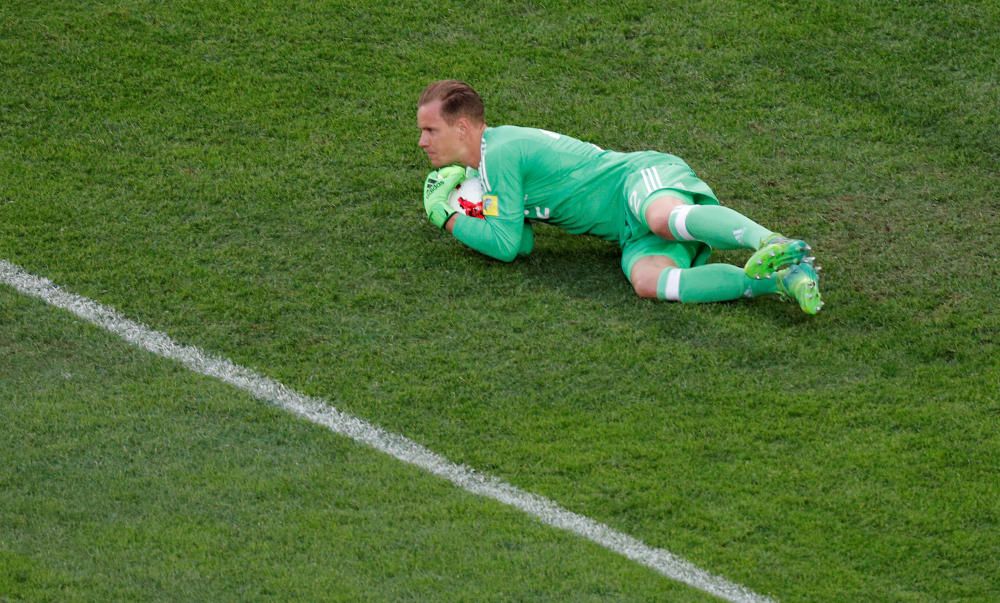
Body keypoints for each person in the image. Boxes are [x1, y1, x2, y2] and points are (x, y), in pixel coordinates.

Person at [417, 80, 823, 314]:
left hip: (634, 181)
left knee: (662, 217)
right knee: (648, 281)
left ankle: (770, 242)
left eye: (430, 130)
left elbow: (503, 246)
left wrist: (446, 217)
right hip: (628, 233)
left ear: (464, 128)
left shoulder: (501, 152)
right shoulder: (483, 172)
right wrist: (464, 202)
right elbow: (520, 242)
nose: (422, 142)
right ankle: (779, 282)